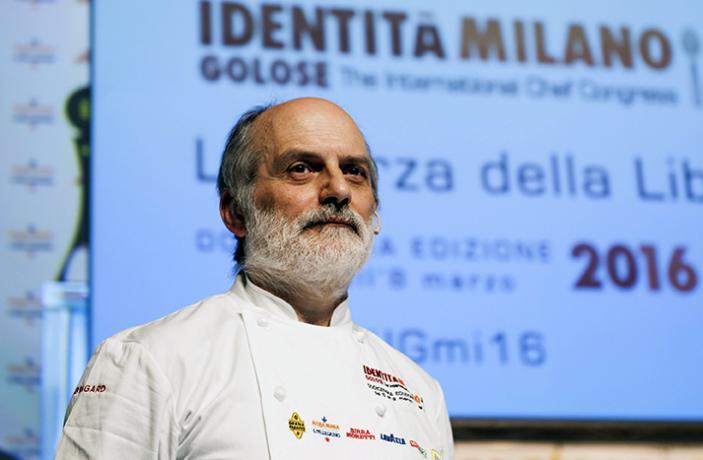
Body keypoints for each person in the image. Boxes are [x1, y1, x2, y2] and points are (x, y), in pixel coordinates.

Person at [54, 97, 454, 459]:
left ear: (375, 214)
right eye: (302, 169)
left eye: (354, 171)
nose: (338, 189)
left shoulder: (420, 391)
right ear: (235, 212)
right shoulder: (149, 360)